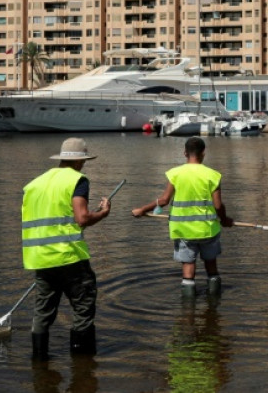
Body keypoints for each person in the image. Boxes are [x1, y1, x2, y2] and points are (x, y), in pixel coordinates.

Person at [22, 137, 111, 360]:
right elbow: (82, 218)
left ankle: (39, 361)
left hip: (41, 258)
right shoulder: (78, 180)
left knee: (43, 313)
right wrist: (103, 213)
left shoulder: (34, 184)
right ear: (80, 160)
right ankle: (82, 364)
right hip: (70, 257)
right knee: (83, 308)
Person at [132, 136, 233, 297]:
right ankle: (214, 302)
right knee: (211, 266)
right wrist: (225, 220)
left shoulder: (175, 173)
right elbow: (218, 206)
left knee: (188, 267)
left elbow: (164, 201)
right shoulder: (213, 175)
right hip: (207, 230)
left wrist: (143, 209)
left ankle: (188, 306)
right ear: (203, 153)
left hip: (184, 230)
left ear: (185, 153)